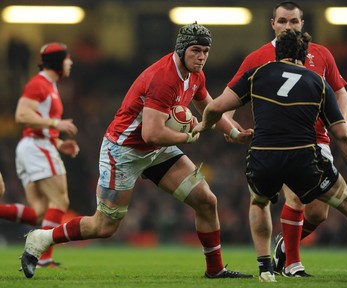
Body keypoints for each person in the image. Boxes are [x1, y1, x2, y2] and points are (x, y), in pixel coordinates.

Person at [20, 23, 254, 279]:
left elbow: (208, 108)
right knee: (104, 226)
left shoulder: (195, 74)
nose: (201, 56)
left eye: (205, 51)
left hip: (157, 150)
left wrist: (233, 132)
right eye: (195, 50)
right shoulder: (165, 78)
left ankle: (215, 270)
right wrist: (188, 137)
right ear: (182, 49)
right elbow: (150, 133)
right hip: (124, 151)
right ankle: (41, 239)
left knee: (206, 201)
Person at [194, 29, 347, 283]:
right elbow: (343, 134)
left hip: (263, 157)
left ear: (277, 52)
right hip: (303, 160)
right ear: (304, 55)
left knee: (259, 202)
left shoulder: (257, 74)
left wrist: (206, 127)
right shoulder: (317, 82)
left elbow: (215, 108)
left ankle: (266, 268)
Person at [226, 1, 347, 276]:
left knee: (318, 214)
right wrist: (231, 129)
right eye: (282, 21)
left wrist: (342, 122)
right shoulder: (257, 57)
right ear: (272, 23)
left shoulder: (321, 54)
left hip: (318, 139)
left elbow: (340, 91)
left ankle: (284, 245)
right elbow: (227, 103)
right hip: (278, 142)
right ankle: (293, 265)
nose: (287, 27)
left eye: (293, 22)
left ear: (302, 24)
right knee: (294, 198)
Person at [0, 42, 79, 267]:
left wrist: (58, 142)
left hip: (35, 145)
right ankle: (42, 257)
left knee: (38, 213)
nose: (70, 62)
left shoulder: (50, 86)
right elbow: (21, 114)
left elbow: (38, 121)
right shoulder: (39, 84)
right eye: (67, 59)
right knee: (60, 200)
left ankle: (42, 256)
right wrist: (56, 123)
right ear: (57, 62)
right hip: (36, 146)